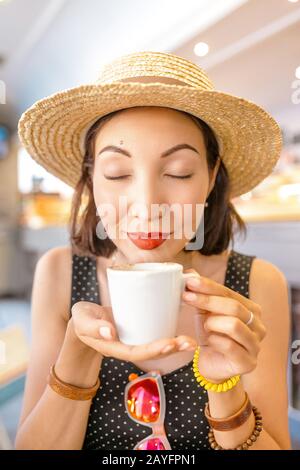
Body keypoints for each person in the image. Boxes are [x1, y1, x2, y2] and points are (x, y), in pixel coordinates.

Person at [15, 51, 291, 450]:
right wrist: (77, 353)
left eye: (178, 172)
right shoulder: (60, 273)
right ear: (92, 180)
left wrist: (224, 386)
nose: (147, 206)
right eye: (118, 173)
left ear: (211, 177)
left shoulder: (255, 284)